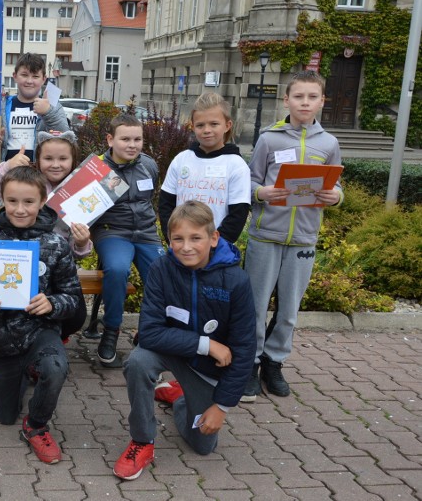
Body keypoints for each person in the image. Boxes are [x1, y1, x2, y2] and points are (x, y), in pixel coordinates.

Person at [113, 201, 256, 480]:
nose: (186, 247)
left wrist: (222, 407)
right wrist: (207, 344)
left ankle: (180, 398)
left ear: (213, 238)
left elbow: (245, 349)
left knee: (203, 445)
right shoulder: (161, 269)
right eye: (178, 239)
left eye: (196, 238)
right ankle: (142, 441)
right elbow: (150, 332)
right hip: (172, 351)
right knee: (138, 360)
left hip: (206, 370)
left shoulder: (236, 281)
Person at [0, 166, 84, 465]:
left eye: (28, 202)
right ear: (2, 199)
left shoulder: (56, 245)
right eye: (12, 201)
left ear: (42, 201)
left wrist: (52, 303)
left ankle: (37, 425)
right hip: (0, 339)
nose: (19, 209)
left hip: (41, 332)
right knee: (5, 416)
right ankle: (24, 375)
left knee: (55, 368)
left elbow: (73, 297)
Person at [241, 70, 343, 402]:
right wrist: (263, 193)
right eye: (298, 96)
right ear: (287, 100)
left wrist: (336, 196)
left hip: (303, 239)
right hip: (266, 235)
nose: (305, 102)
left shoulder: (329, 143)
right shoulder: (269, 138)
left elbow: (335, 184)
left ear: (321, 102)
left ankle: (274, 362)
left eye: (312, 97)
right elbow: (250, 182)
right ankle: (251, 364)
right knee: (256, 306)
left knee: (289, 311)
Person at [0, 130, 91, 338]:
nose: (56, 164)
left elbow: (76, 256)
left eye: (63, 158)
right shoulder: (29, 183)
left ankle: (51, 339)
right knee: (14, 310)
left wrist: (82, 243)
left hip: (57, 271)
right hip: (20, 262)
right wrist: (7, 167)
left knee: (76, 316)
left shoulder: (81, 192)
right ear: (38, 160)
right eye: (48, 158)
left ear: (73, 160)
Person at [91, 113, 166, 366]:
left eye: (137, 139)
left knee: (164, 273)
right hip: (112, 231)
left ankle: (147, 331)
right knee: (117, 269)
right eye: (125, 139)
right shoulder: (97, 168)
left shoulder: (149, 165)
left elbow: (150, 197)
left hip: (145, 233)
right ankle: (111, 330)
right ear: (110, 139)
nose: (132, 145)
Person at [159, 92, 251, 244]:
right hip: (181, 247)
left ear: (227, 126)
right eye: (200, 125)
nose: (206, 130)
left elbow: (238, 214)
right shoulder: (181, 160)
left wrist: (214, 246)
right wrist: (174, 239)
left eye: (214, 124)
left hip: (216, 250)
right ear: (193, 126)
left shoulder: (236, 165)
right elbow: (165, 204)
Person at [0, 52, 69, 171]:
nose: (29, 81)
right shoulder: (1, 106)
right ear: (15, 76)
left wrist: (47, 112)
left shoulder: (53, 106)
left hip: (39, 177)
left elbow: (67, 138)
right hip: (5, 177)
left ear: (43, 79)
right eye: (24, 75)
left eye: (35, 76)